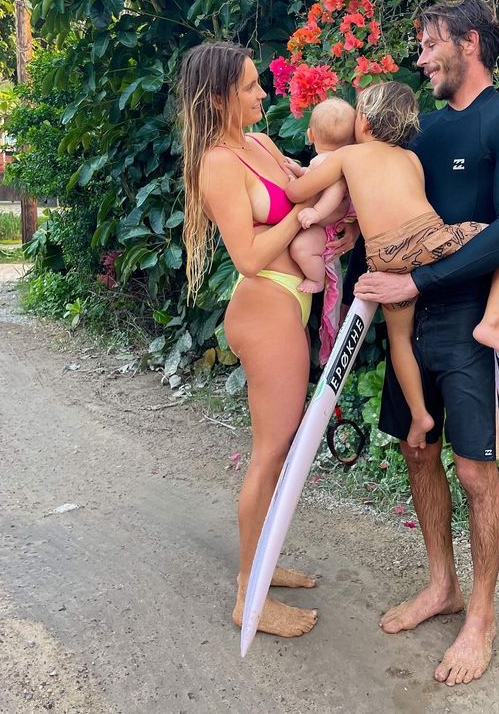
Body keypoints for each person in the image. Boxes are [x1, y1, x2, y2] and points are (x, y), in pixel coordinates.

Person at [352, 0, 499, 685]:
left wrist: (419, 282)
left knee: (473, 471)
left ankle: (482, 615)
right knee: (416, 451)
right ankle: (442, 585)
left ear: (467, 43)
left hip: (465, 318)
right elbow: (389, 210)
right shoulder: (421, 132)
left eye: (430, 45)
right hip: (410, 319)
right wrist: (353, 245)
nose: (421, 58)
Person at [285, 82, 499, 448]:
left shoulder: (348, 157)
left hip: (386, 259)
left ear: (364, 123)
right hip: (429, 240)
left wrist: (294, 174)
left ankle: (420, 415)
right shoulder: (412, 158)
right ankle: (492, 322)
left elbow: (298, 194)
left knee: (400, 338)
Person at [178, 40, 321, 640]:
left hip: (290, 304)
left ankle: (264, 563)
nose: (263, 93)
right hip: (265, 310)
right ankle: (247, 595)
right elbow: (248, 254)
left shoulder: (259, 144)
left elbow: (308, 183)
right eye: (250, 87)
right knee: (269, 452)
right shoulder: (218, 163)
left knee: (284, 448)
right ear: (219, 98)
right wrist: (300, 221)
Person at [288, 98, 354, 294]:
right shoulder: (326, 161)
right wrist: (299, 171)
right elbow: (314, 178)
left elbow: (335, 191)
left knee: (301, 248)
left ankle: (316, 280)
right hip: (328, 223)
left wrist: (316, 212)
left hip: (324, 223)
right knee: (301, 247)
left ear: (310, 135)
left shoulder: (330, 162)